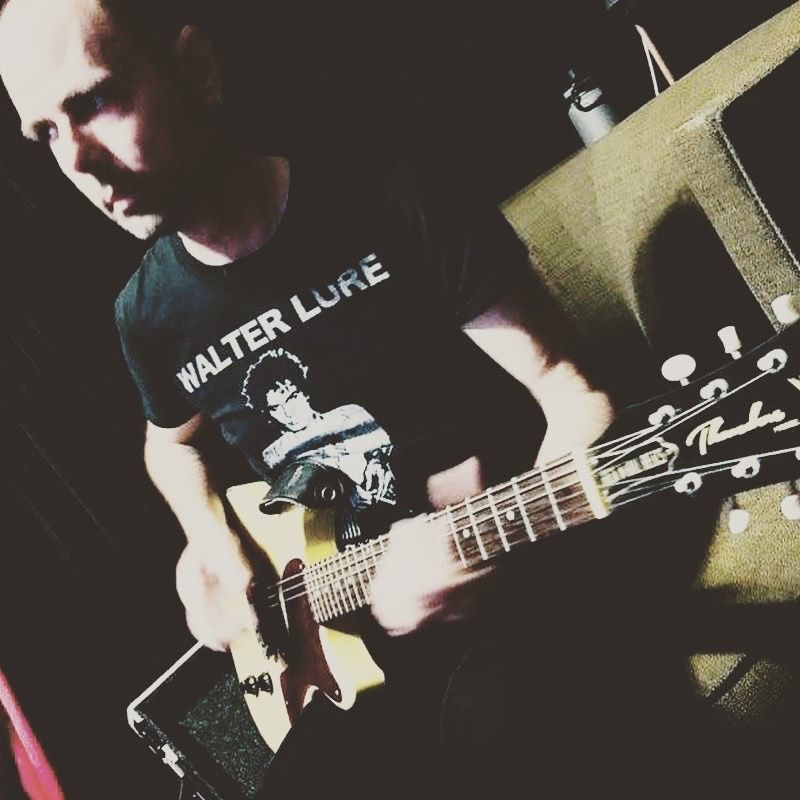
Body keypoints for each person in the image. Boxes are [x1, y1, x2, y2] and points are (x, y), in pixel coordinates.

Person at [0, 0, 615, 795]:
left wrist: (494, 550)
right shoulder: (146, 313)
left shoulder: (394, 189)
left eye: (93, 102)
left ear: (196, 70)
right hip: (339, 654)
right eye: (46, 133)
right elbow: (168, 444)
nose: (77, 160)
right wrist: (212, 545)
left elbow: (575, 395)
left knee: (495, 742)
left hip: (497, 593)